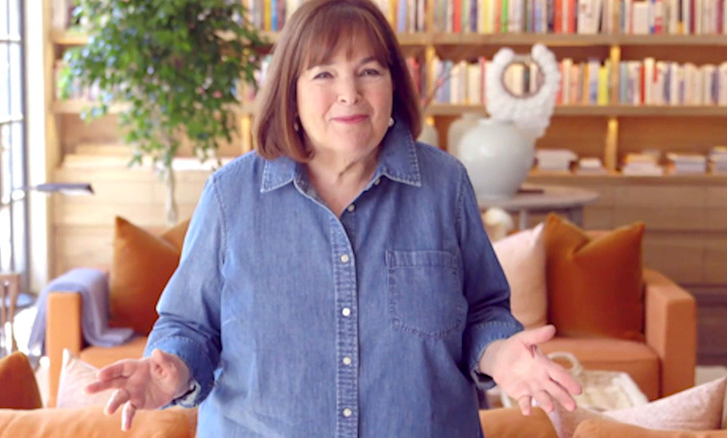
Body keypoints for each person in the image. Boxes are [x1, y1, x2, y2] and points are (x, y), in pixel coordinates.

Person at [85, 0, 582, 436]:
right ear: (291, 92)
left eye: (369, 71)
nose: (350, 93)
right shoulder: (230, 194)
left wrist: (502, 354)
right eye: (323, 73)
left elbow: (481, 313)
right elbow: (191, 325)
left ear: (393, 85)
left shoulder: (444, 185)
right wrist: (171, 366)